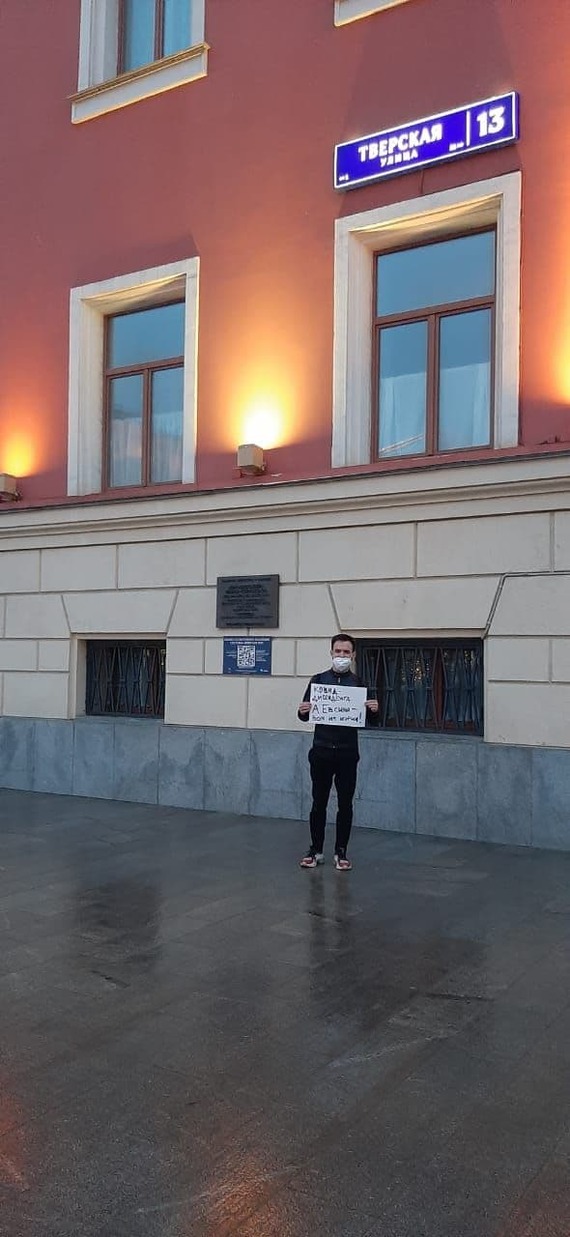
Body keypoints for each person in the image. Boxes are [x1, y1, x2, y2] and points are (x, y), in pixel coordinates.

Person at [297, 633, 379, 871]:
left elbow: (371, 720)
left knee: (345, 804)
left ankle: (341, 851)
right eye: (338, 651)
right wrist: (303, 710)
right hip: (321, 751)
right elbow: (304, 715)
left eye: (346, 652)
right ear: (331, 653)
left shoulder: (359, 683)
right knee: (318, 803)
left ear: (353, 655)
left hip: (347, 754)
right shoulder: (318, 680)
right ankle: (315, 849)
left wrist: (374, 710)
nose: (341, 656)